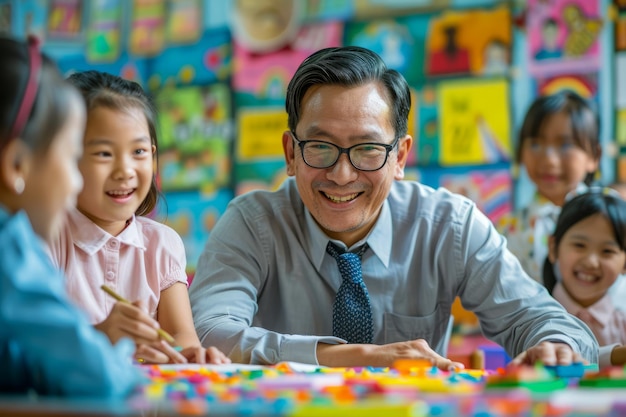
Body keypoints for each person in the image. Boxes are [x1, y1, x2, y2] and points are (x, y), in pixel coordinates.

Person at [189, 46, 598, 368]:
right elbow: (208, 333)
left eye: (367, 149)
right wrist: (345, 357)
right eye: (319, 147)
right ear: (291, 153)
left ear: (400, 157)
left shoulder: (449, 226)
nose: (343, 174)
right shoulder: (251, 223)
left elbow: (543, 319)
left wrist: (555, 346)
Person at [47, 70, 229, 365]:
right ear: (66, 156)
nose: (125, 170)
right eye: (104, 154)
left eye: (139, 152)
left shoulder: (163, 243)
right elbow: (29, 348)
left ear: (154, 158)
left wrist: (192, 355)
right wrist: (101, 335)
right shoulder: (45, 239)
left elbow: (182, 337)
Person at [0, 36, 140, 397]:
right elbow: (102, 379)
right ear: (16, 165)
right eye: (71, 157)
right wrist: (121, 354)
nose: (75, 182)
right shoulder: (8, 252)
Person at [499, 90, 601, 285]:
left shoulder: (610, 215)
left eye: (565, 145)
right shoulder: (507, 230)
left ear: (594, 156)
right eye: (535, 145)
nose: (549, 160)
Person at [544, 189, 626, 368]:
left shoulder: (623, 326)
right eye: (579, 245)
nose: (591, 262)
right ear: (553, 247)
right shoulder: (529, 322)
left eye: (607, 251)